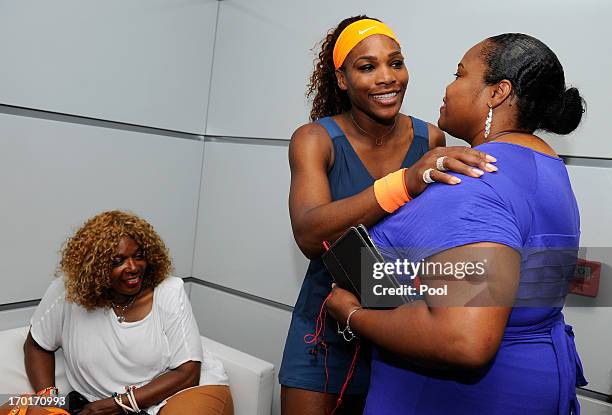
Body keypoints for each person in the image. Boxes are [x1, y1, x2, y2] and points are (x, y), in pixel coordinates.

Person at [326, 33, 587, 414]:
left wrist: (353, 315)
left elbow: (464, 338)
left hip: (454, 399)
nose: (448, 87)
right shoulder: (548, 168)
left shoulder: (472, 178)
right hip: (534, 383)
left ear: (498, 93)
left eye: (459, 74)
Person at [279, 15, 499, 415]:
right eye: (367, 67)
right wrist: (404, 183)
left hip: (403, 323)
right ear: (342, 80)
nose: (387, 77)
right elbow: (311, 235)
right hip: (328, 325)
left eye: (395, 63)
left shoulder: (429, 138)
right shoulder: (315, 139)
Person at [23, 211, 233, 415]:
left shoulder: (168, 290)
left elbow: (188, 374)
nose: (133, 267)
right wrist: (47, 401)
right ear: (94, 267)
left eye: (139, 256)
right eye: (117, 261)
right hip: (106, 406)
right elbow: (37, 345)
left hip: (181, 392)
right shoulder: (67, 293)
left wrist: (116, 404)